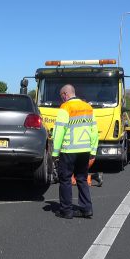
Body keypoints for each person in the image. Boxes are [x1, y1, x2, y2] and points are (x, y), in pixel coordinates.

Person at [52, 84, 99, 219]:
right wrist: (93, 150)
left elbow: (59, 131)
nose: (62, 100)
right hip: (85, 150)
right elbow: (94, 131)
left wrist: (55, 153)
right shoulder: (88, 107)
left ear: (65, 94)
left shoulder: (65, 108)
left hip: (69, 150)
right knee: (82, 179)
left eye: (62, 97)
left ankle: (66, 211)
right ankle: (87, 209)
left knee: (65, 179)